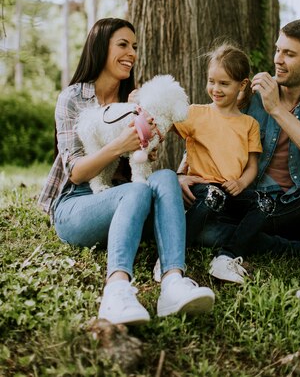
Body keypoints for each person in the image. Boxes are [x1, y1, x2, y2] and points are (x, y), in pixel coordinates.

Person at [178, 19, 300, 319]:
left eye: (289, 53)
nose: (278, 59)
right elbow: (207, 127)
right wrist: (180, 173)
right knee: (204, 226)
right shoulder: (250, 91)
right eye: (278, 50)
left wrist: (276, 109)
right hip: (249, 206)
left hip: (296, 206)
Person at [38, 17, 214, 325]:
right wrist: (119, 144)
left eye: (134, 47)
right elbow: (76, 173)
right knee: (137, 189)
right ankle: (116, 290)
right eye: (122, 45)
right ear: (99, 47)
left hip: (128, 198)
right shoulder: (73, 98)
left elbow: (140, 168)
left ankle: (173, 282)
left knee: (162, 178)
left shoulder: (135, 100)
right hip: (79, 203)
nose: (131, 53)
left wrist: (146, 150)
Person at [173, 43, 300, 284]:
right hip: (203, 189)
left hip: (231, 192)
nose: (215, 89)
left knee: (265, 202)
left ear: (242, 85)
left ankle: (227, 257)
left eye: (224, 83)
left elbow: (252, 166)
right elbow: (162, 123)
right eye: (211, 81)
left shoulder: (249, 124)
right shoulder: (194, 113)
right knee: (213, 195)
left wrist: (241, 182)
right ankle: (173, 256)